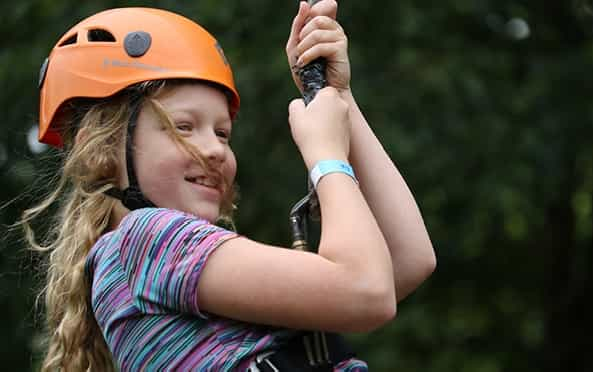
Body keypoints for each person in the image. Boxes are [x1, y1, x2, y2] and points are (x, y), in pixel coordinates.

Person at [22, 2, 435, 371]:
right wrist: (326, 155)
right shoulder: (145, 239)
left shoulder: (161, 264)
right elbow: (366, 291)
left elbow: (408, 260)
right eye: (182, 127)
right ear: (106, 149)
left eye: (222, 134)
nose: (215, 149)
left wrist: (338, 97)